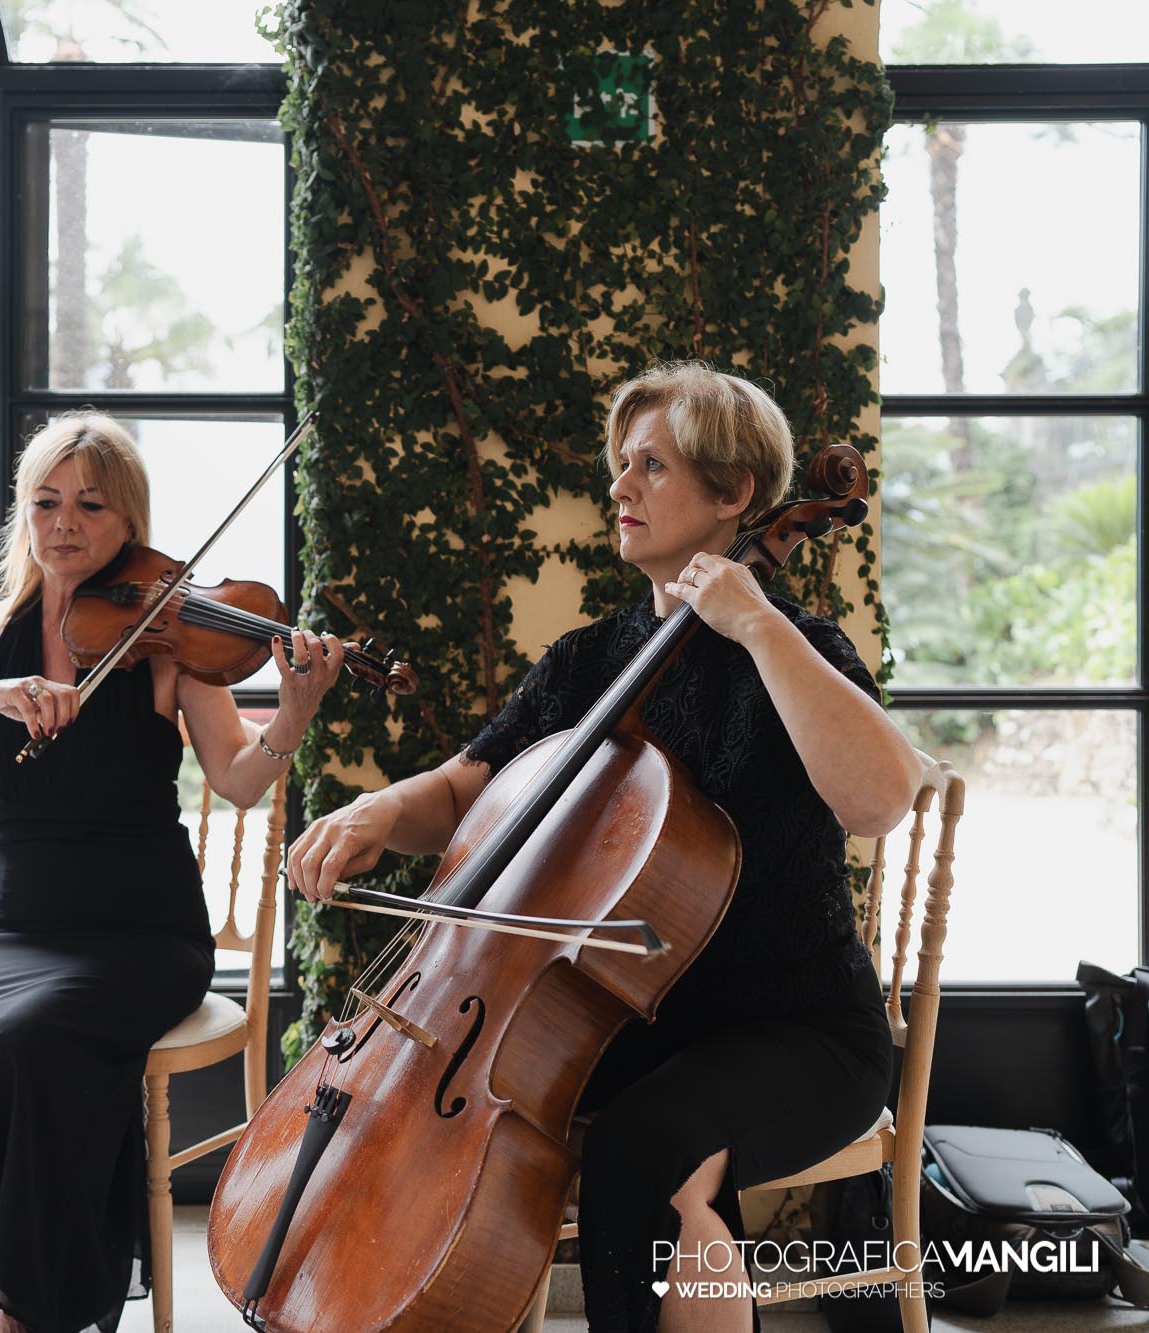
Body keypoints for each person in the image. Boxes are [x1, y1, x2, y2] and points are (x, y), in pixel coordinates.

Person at [285, 363, 921, 1332]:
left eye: (649, 466)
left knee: (644, 1150)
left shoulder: (798, 650)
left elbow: (879, 798)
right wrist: (378, 810)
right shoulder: (585, 660)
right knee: (481, 1124)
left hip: (794, 1030)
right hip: (622, 1023)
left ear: (733, 496)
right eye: (619, 464)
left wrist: (752, 622)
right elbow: (468, 787)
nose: (617, 486)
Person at [0, 411, 346, 1333]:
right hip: (9, 926)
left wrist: (293, 713)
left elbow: (240, 781)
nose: (65, 523)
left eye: (91, 503)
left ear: (129, 520)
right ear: (23, 516)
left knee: (34, 1045)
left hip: (140, 930)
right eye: (45, 502)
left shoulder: (166, 639)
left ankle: (14, 1304)